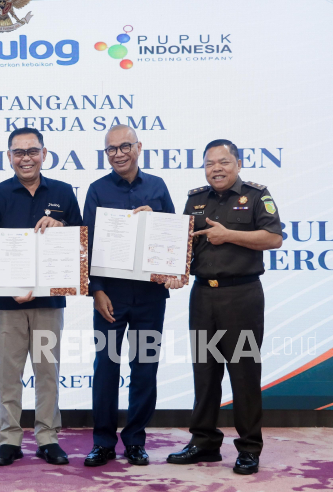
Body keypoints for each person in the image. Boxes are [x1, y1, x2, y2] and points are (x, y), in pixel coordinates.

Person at [166, 139, 282, 475]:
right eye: (209, 163)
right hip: (203, 296)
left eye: (223, 162)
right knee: (205, 372)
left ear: (238, 164)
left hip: (241, 296)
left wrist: (229, 234)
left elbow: (273, 238)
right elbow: (182, 246)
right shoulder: (195, 200)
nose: (216, 168)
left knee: (244, 373)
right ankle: (204, 443)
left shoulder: (257, 195)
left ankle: (249, 448)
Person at [0, 127, 82, 467]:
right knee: (9, 372)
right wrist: (12, 286)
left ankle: (47, 437)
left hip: (49, 302)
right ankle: (9, 438)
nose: (26, 157)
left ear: (44, 153)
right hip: (8, 303)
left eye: (32, 151)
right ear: (9, 156)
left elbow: (80, 244)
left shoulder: (64, 193)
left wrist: (63, 228)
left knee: (46, 370)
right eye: (19, 152)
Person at [81, 126, 176, 467]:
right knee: (106, 368)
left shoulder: (158, 187)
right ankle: (103, 442)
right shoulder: (97, 190)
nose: (118, 154)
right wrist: (96, 290)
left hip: (151, 297)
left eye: (124, 147)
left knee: (145, 369)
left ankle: (135, 441)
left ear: (139, 147)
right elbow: (87, 245)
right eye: (111, 149)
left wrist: (159, 220)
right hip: (111, 298)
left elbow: (173, 239)